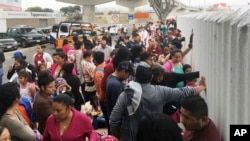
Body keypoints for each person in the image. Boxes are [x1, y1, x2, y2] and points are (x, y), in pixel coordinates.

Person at [109, 61, 207, 141]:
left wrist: (120, 135)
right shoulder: (160, 91)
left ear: (135, 77)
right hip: (154, 135)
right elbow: (182, 92)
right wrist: (201, 87)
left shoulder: (126, 93)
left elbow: (113, 120)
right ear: (151, 77)